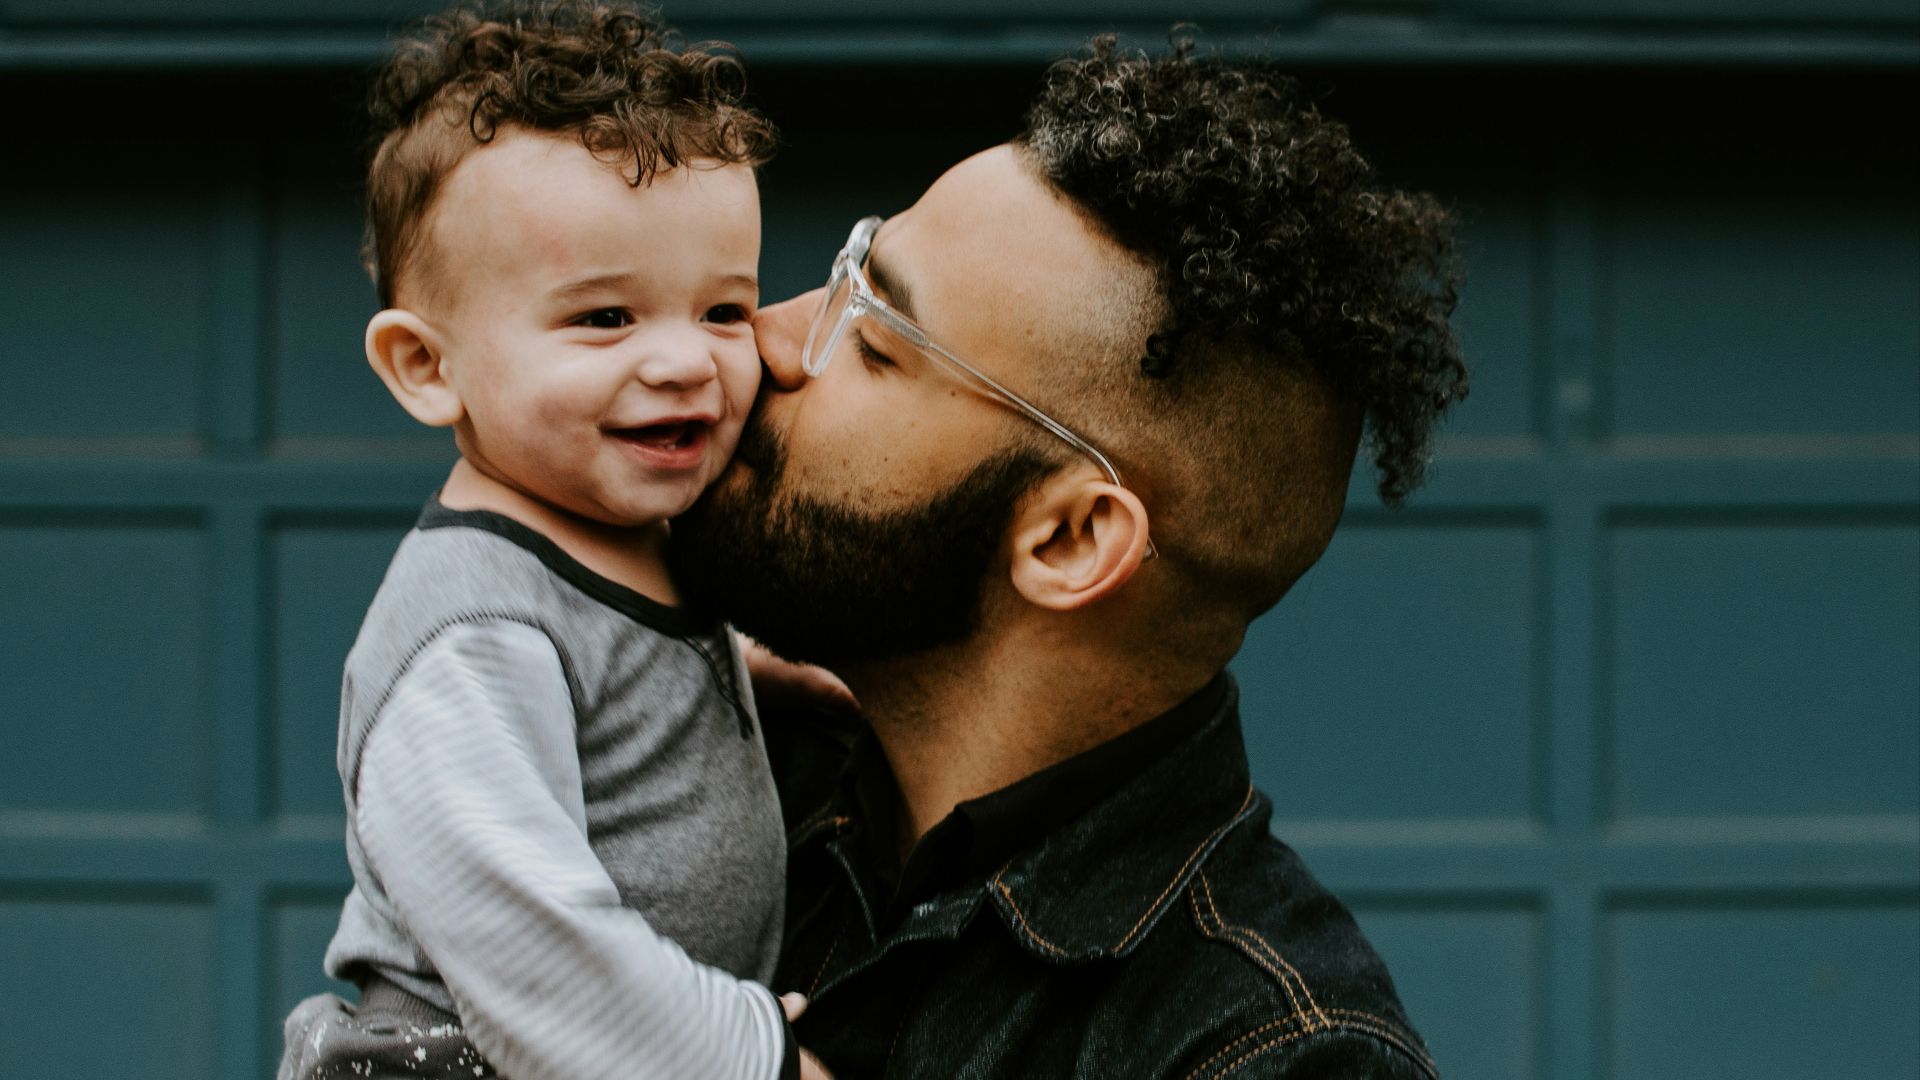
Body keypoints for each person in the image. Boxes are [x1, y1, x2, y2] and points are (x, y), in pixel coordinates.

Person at [669, 35, 1469, 1079]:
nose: (764, 341)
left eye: (871, 343)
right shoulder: (686, 753)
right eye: (840, 280)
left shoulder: (1263, 1053)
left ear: (1070, 538)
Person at [277, 3, 812, 1078]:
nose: (683, 362)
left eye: (721, 310)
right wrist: (762, 1062)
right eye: (606, 319)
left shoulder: (632, 540)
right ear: (428, 368)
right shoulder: (471, 636)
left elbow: (613, 696)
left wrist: (758, 682)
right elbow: (537, 955)